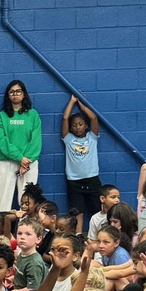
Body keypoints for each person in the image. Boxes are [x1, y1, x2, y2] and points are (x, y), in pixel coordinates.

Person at [0, 80, 41, 215]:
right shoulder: (2, 116)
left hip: (29, 162)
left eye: (18, 91)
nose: (15, 94)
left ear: (24, 94)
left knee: (28, 201)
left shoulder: (33, 115)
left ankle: (28, 231)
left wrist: (26, 160)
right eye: (12, 92)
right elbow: (1, 141)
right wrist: (19, 158)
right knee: (2, 200)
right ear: (8, 95)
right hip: (6, 162)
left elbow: (36, 140)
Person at [61, 95, 101, 234]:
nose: (77, 128)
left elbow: (94, 118)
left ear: (86, 126)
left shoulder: (92, 137)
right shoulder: (68, 139)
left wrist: (82, 106)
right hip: (74, 181)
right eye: (74, 125)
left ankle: (99, 235)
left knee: (98, 210)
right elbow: (65, 118)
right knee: (78, 213)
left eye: (80, 124)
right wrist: (72, 102)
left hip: (92, 179)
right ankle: (78, 237)